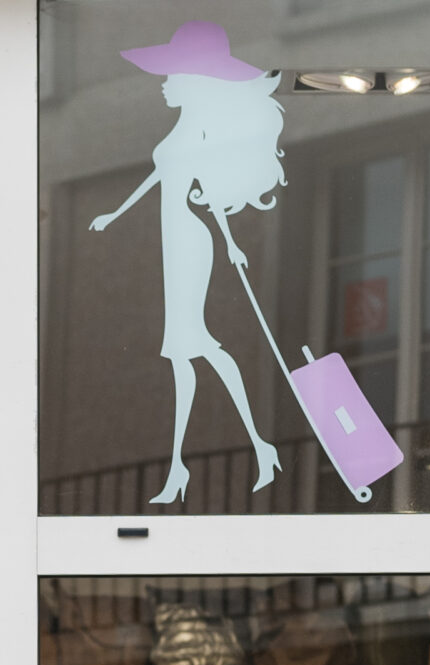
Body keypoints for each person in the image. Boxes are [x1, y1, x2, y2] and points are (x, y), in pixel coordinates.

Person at [91, 19, 286, 506]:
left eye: (171, 76)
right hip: (172, 239)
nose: (162, 84)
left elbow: (212, 193)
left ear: (194, 81)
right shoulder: (183, 127)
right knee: (184, 353)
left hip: (189, 239)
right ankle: (184, 465)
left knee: (195, 346)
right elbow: (157, 179)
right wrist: (114, 214)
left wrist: (230, 241)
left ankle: (255, 448)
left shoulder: (200, 130)